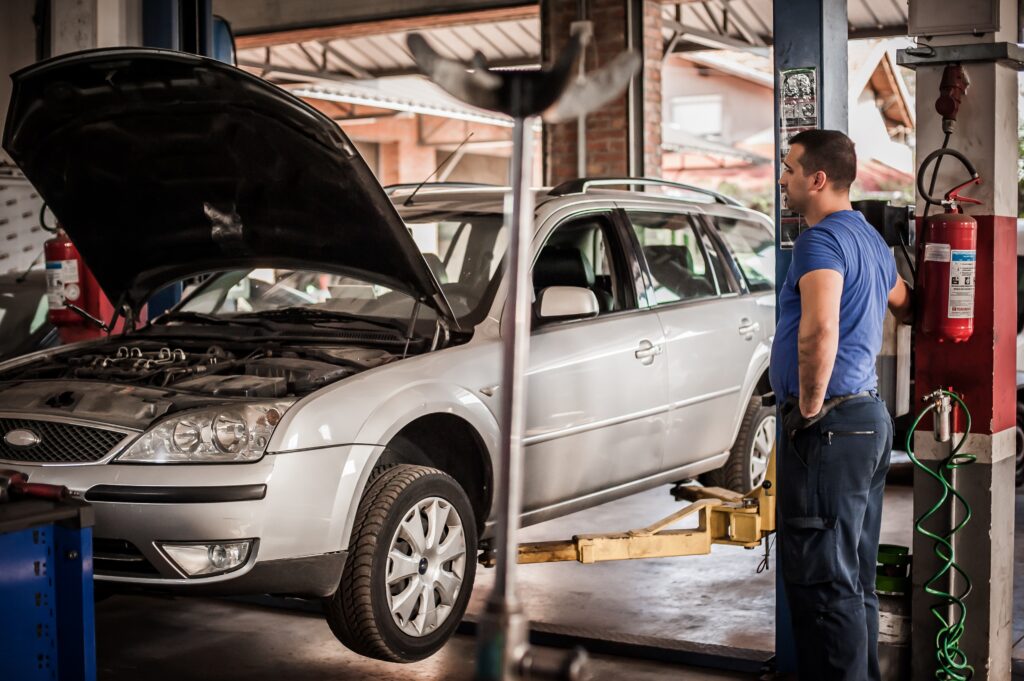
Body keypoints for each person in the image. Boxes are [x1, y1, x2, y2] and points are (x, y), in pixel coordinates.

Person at [771, 129, 913, 681]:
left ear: (817, 179)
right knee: (853, 579)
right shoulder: (872, 243)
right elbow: (908, 304)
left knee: (826, 587)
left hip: (830, 426)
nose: (782, 179)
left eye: (789, 168)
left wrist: (807, 407)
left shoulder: (821, 240)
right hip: (865, 422)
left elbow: (819, 328)